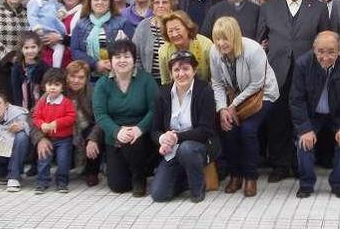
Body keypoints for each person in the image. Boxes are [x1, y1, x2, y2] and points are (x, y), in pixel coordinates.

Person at [257, 0, 331, 182]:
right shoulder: (269, 7)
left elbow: (325, 38)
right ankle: (280, 165)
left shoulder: (318, 8)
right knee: (278, 121)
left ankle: (301, 164)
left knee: (304, 119)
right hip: (277, 73)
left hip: (307, 73)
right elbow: (259, 39)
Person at [209, 17, 280, 197]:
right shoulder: (214, 52)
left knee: (248, 130)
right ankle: (235, 174)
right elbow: (217, 84)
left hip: (262, 94)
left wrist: (232, 105)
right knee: (228, 128)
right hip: (235, 98)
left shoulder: (253, 50)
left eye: (225, 38)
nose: (221, 43)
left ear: (235, 36)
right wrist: (222, 109)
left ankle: (250, 177)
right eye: (217, 38)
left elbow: (257, 84)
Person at [289, 31, 340, 199]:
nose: (325, 56)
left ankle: (339, 183)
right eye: (320, 51)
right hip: (312, 113)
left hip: (338, 113)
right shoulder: (303, 63)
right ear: (314, 49)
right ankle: (306, 184)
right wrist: (304, 129)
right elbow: (296, 100)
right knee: (303, 142)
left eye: (331, 52)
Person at [93, 39, 159, 196]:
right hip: (115, 136)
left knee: (134, 141)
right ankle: (129, 170)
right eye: (117, 57)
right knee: (118, 186)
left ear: (134, 59)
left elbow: (155, 109)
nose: (122, 60)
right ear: (110, 61)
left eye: (126, 56)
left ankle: (139, 176)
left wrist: (139, 129)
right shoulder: (102, 84)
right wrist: (117, 131)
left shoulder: (146, 80)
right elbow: (100, 115)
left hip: (142, 134)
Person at [150, 51, 218, 203]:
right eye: (176, 70)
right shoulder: (162, 94)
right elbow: (154, 130)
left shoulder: (204, 91)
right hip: (172, 151)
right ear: (171, 72)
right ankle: (187, 177)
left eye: (186, 69)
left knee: (186, 149)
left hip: (198, 146)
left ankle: (197, 189)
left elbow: (206, 130)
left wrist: (176, 137)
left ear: (194, 70)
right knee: (159, 195)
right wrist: (163, 139)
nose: (181, 74)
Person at [33, 60, 103, 187]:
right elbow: (33, 116)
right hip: (62, 133)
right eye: (72, 76)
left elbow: (101, 118)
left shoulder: (93, 92)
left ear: (87, 79)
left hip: (85, 130)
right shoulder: (55, 91)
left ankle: (92, 172)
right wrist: (40, 138)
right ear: (67, 77)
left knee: (94, 135)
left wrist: (93, 138)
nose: (76, 80)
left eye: (81, 77)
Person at [71, 0, 133, 80]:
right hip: (89, 76)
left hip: (116, 75)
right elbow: (75, 50)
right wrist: (96, 63)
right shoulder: (80, 25)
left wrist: (112, 62)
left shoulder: (122, 23)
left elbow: (132, 48)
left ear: (109, 3)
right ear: (90, 3)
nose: (100, 2)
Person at [32, 68, 77, 194]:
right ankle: (42, 182)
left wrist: (57, 123)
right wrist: (42, 125)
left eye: (56, 85)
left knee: (63, 161)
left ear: (62, 87)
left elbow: (71, 117)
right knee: (43, 160)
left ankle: (62, 182)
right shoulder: (42, 102)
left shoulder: (66, 102)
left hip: (64, 139)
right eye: (49, 84)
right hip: (47, 138)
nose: (52, 88)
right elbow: (36, 117)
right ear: (44, 86)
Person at [39, 0, 87, 69]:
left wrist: (60, 38)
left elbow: (83, 41)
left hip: (71, 65)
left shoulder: (85, 14)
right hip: (46, 61)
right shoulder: (53, 12)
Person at [133, 0, 178, 86]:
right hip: (148, 81)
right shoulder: (143, 26)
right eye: (157, 2)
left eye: (165, 2)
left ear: (172, 6)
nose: (160, 5)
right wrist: (142, 78)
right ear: (152, 6)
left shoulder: (178, 25)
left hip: (175, 81)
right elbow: (134, 54)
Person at [157, 10, 213, 85]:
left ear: (188, 28)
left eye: (177, 29)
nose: (174, 34)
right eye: (170, 31)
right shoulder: (163, 51)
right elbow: (166, 82)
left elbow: (215, 79)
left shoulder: (205, 45)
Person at [27, 0, 67, 68]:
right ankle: (33, 68)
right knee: (36, 50)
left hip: (52, 30)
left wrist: (61, 12)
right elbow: (31, 16)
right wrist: (37, 28)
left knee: (59, 48)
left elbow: (60, 6)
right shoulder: (34, 2)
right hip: (40, 30)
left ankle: (55, 68)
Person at [9, 31, 48, 110]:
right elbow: (16, 91)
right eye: (26, 48)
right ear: (21, 49)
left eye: (33, 47)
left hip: (40, 106)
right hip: (23, 107)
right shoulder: (17, 68)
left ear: (39, 47)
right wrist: (18, 109)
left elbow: (46, 88)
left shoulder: (43, 66)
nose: (30, 51)